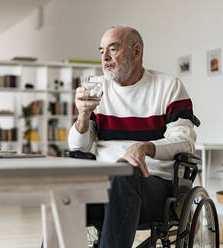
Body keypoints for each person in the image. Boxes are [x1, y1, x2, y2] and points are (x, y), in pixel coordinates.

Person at [68, 26, 198, 247]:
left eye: (113, 49)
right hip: (100, 183)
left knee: (124, 175)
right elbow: (78, 146)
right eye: (101, 51)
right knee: (62, 188)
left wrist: (145, 147)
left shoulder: (168, 86)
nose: (105, 58)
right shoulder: (98, 90)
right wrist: (83, 114)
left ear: (136, 51)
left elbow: (185, 141)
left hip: (152, 186)